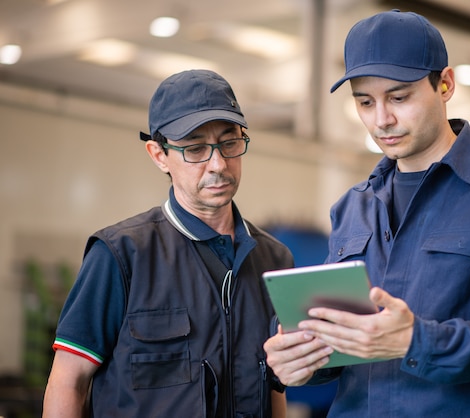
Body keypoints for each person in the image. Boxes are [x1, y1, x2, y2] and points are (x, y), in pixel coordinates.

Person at [264, 9, 470, 417]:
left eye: (399, 97)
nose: (381, 119)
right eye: (365, 102)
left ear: (444, 84)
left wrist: (415, 341)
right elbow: (345, 342)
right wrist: (301, 359)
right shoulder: (354, 206)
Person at [43, 69, 293, 418]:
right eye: (195, 149)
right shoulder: (120, 255)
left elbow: (274, 388)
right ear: (159, 155)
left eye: (229, 142)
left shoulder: (274, 259)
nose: (218, 164)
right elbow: (69, 382)